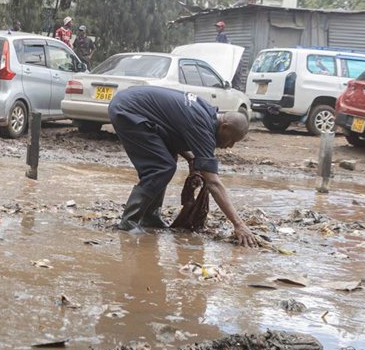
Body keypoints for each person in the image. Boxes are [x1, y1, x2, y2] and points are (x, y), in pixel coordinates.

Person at [108, 85, 259, 247]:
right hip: (128, 110)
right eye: (232, 140)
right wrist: (238, 224)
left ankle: (150, 216)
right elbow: (213, 183)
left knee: (167, 161)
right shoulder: (203, 128)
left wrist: (190, 158)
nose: (230, 146)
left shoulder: (207, 114)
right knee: (161, 167)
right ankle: (129, 221)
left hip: (133, 104)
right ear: (224, 127)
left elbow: (174, 131)